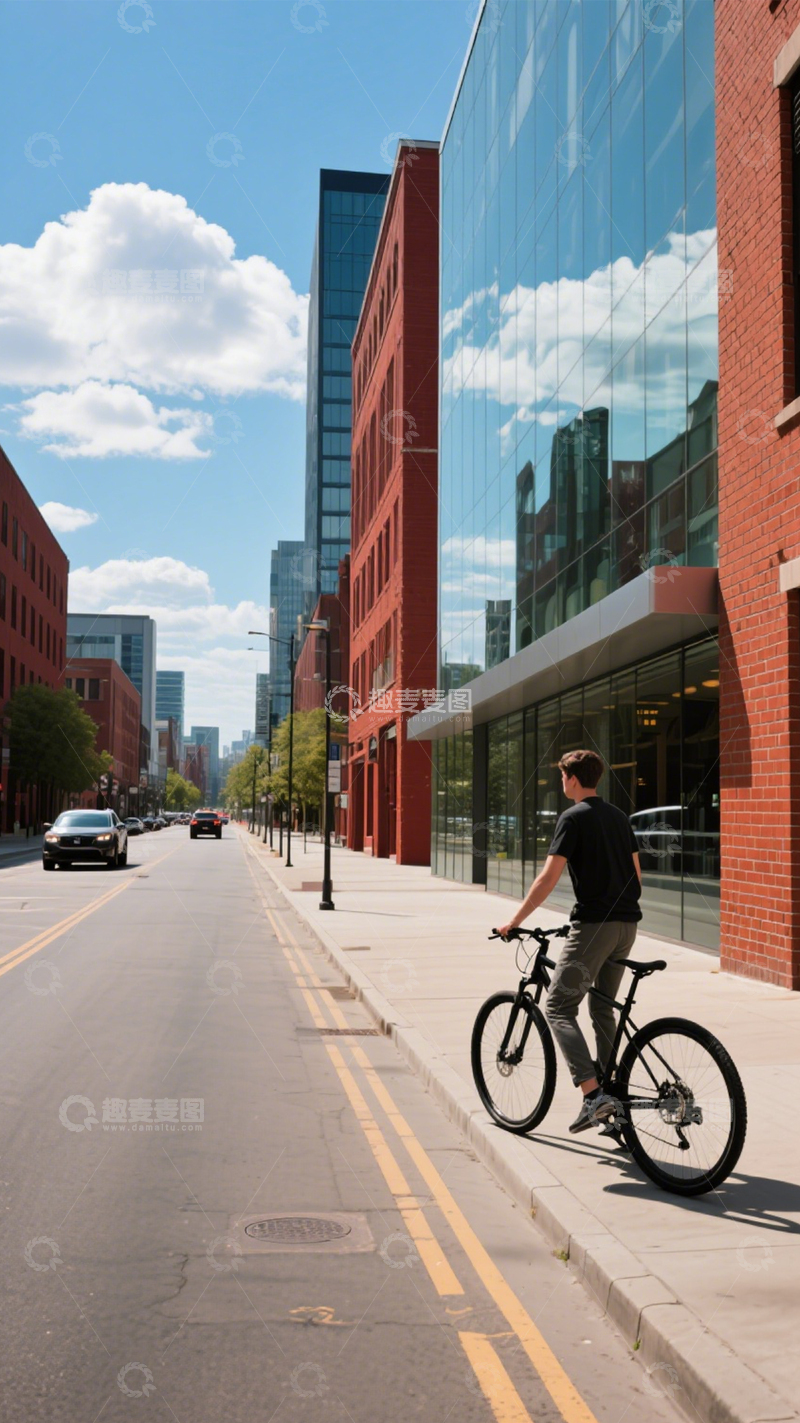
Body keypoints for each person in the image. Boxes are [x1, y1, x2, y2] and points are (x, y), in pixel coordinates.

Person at [496, 749, 642, 1135]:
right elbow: (637, 878)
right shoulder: (619, 818)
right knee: (602, 1007)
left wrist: (514, 921)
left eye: (562, 776)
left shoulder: (572, 818)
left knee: (559, 1007)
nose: (561, 782)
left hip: (596, 924)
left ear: (573, 779)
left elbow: (547, 879)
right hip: (627, 925)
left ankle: (593, 1096)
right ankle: (614, 1094)